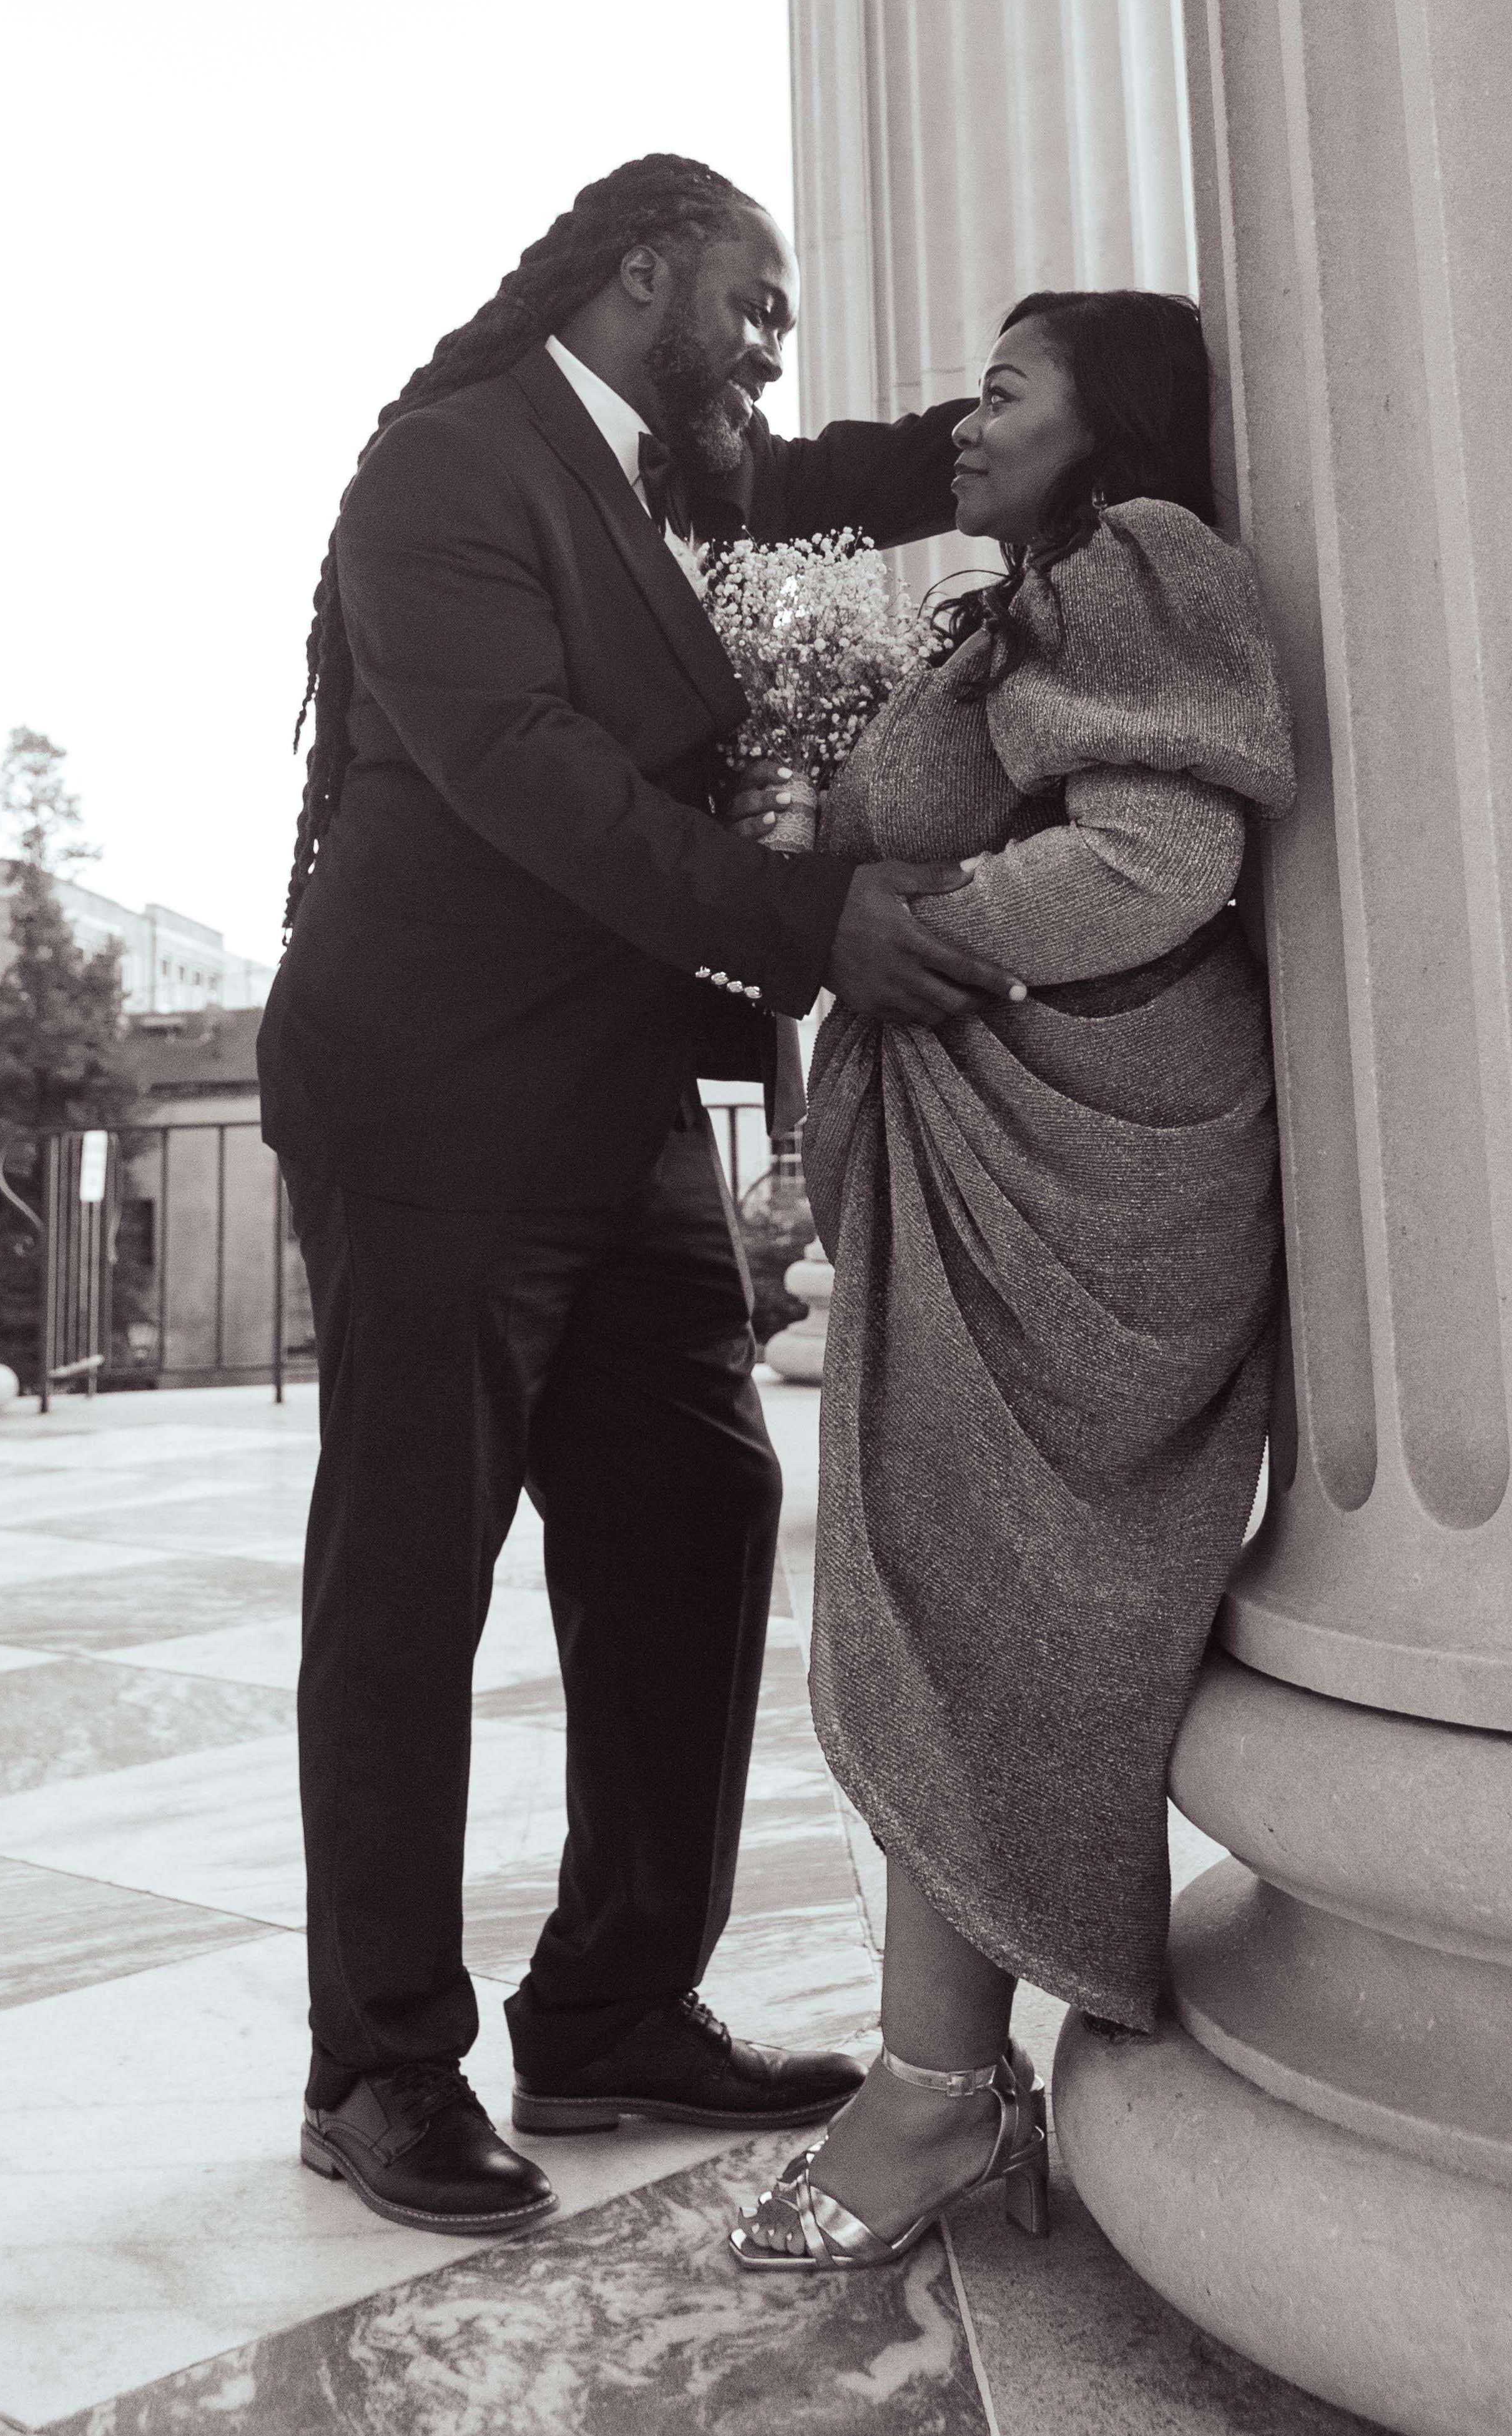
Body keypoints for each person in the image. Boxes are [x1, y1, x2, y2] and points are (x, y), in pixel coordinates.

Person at [258, 150, 1011, 2239]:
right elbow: (534, 776)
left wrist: (1053, 416)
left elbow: (849, 474)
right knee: (410, 1569)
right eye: (753, 301)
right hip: (426, 1095)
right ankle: (376, 2063)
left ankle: (607, 2007)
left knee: (698, 1508)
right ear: (643, 268)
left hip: (616, 1101)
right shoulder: (448, 466)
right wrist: (814, 922)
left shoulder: (684, 471)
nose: (774, 344)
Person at [726, 287, 1295, 2274]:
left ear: (1103, 417)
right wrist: (830, 852)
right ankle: (944, 2078)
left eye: (1002, 388)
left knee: (989, 1611)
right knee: (949, 1598)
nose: (961, 424)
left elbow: (1156, 859)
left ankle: (937, 2096)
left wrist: (912, 922)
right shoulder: (1028, 601)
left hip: (1088, 1184)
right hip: (1002, 1161)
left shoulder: (1140, 558)